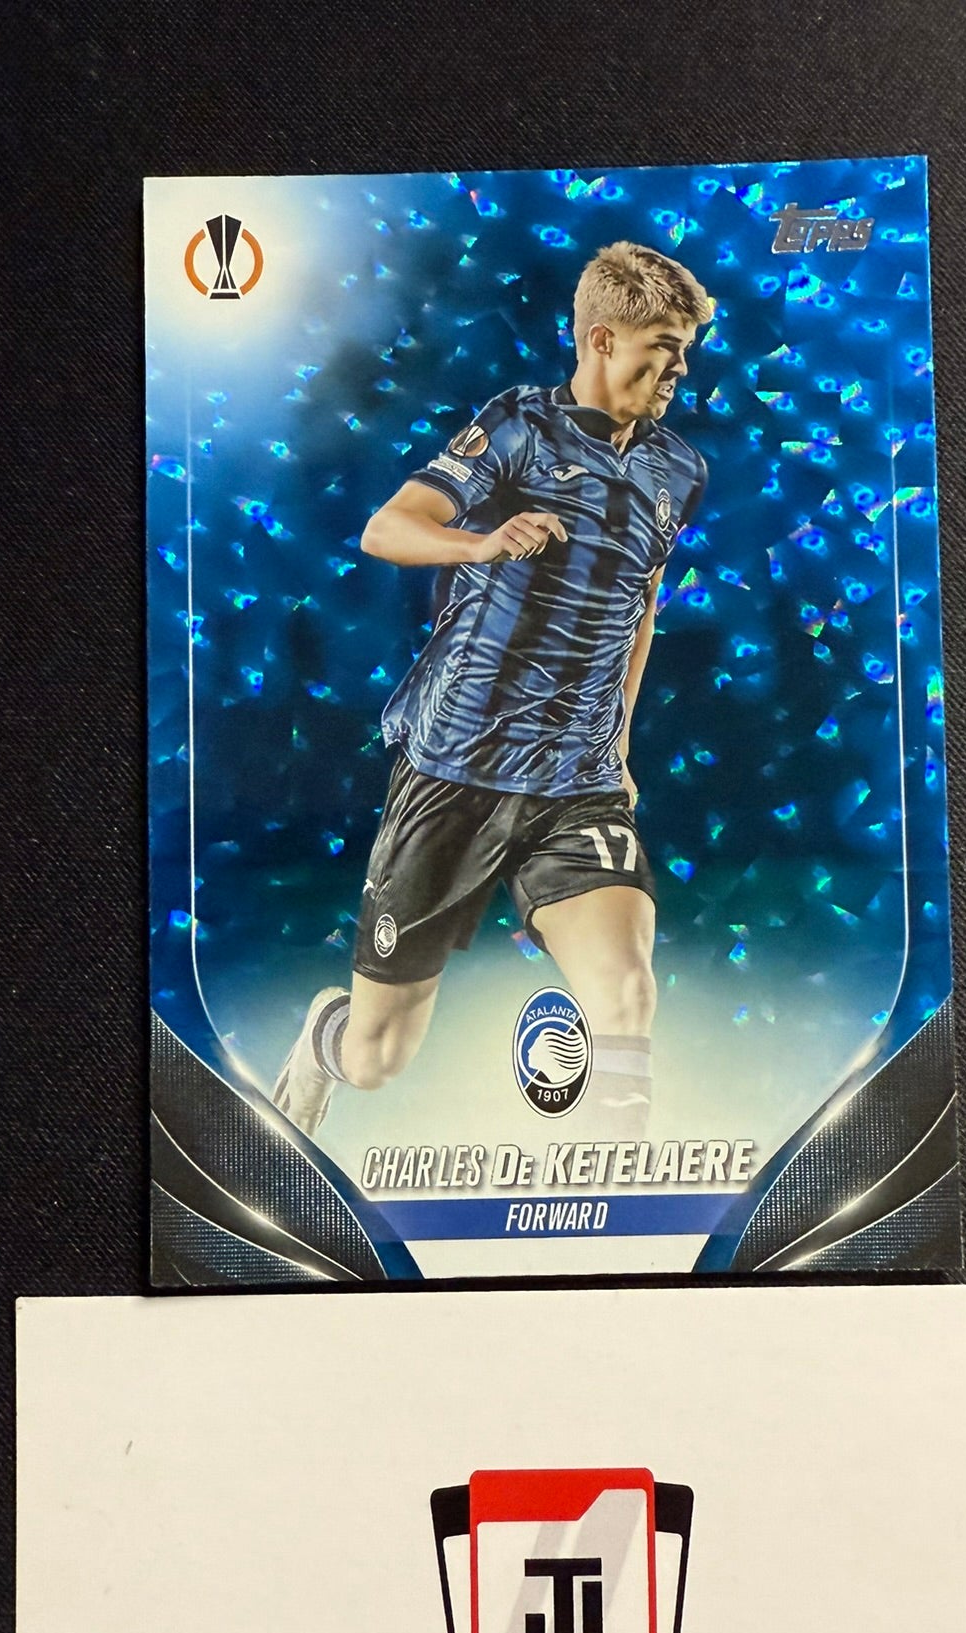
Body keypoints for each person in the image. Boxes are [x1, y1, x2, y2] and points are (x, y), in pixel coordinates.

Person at [274, 239, 711, 1138]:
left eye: (686, 350)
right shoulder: (518, 426)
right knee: (377, 1058)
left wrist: (620, 744)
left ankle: (624, 1190)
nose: (680, 368)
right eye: (664, 348)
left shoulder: (679, 470)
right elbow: (387, 528)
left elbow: (641, 607)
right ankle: (324, 1040)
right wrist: (479, 543)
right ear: (601, 339)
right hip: (455, 769)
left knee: (626, 995)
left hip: (577, 780)